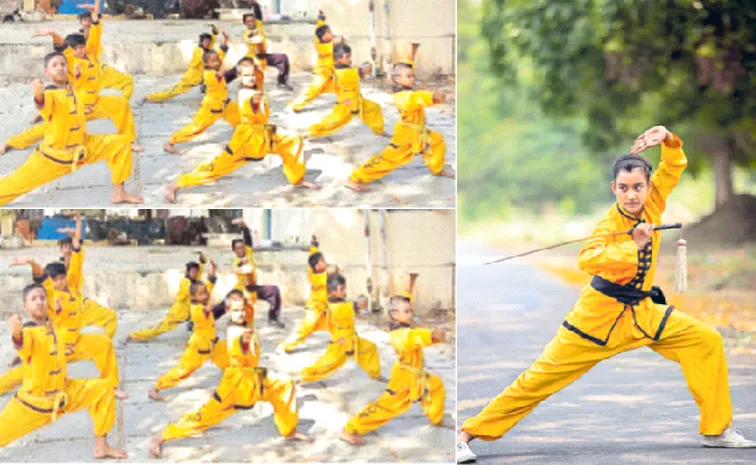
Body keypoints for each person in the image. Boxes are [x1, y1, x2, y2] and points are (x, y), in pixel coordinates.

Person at [456, 126, 756, 464]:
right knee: (536, 381)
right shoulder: (606, 226)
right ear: (614, 188)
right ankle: (466, 435)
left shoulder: (653, 205)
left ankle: (716, 430)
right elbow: (588, 258)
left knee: (707, 341)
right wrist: (633, 245)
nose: (632, 195)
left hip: (644, 314)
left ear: (647, 186)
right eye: (624, 188)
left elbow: (672, 168)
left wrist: (669, 139)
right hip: (595, 322)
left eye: (638, 187)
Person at [147, 292, 311, 458]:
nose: (239, 313)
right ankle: (161, 437)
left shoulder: (245, 323)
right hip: (234, 387)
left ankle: (289, 430)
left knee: (285, 384)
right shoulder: (236, 334)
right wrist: (246, 342)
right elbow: (240, 345)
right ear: (228, 311)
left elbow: (249, 317)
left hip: (253, 379)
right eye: (235, 311)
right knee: (203, 418)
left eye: (241, 310)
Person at [162, 58, 319, 203]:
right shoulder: (246, 95)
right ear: (240, 77)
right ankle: (176, 184)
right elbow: (252, 104)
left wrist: (257, 68)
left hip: (263, 136)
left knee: (293, 139)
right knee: (215, 169)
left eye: (252, 75)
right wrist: (256, 101)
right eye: (246, 76)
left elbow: (259, 78)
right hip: (245, 142)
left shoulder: (255, 84)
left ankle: (297, 179)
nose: (250, 78)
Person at [0, 283, 127, 458]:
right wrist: (16, 334)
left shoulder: (51, 323)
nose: (39, 302)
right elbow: (22, 343)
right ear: (25, 306)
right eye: (33, 299)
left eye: (42, 298)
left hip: (64, 394)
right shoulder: (29, 331)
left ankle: (101, 447)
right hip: (35, 404)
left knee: (104, 389)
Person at [0, 52, 142, 205]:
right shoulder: (50, 93)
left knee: (120, 144)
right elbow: (43, 103)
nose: (60, 68)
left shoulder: (71, 87)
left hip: (83, 148)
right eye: (54, 65)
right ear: (46, 72)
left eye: (62, 64)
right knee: (12, 186)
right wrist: (38, 95)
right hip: (54, 158)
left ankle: (119, 193)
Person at [341, 273, 451, 445]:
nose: (410, 314)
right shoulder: (401, 335)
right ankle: (349, 429)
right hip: (403, 380)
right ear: (394, 315)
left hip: (416, 375)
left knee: (435, 385)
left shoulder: (402, 325)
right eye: (406, 312)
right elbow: (417, 336)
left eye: (410, 310)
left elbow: (405, 303)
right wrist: (433, 334)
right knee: (386, 407)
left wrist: (409, 286)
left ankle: (435, 418)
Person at [347, 53, 454, 192]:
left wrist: (412, 53)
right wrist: (433, 97)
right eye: (408, 77)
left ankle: (437, 168)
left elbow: (410, 73)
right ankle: (354, 178)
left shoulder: (406, 91)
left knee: (436, 140)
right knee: (388, 159)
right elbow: (417, 98)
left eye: (412, 76)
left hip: (417, 131)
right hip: (406, 134)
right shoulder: (403, 97)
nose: (412, 79)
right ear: (397, 79)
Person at [148, 260, 229, 401]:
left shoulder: (203, 299)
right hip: (199, 348)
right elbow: (206, 310)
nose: (205, 295)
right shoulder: (196, 309)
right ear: (194, 297)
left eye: (205, 293)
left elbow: (209, 283)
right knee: (183, 371)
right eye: (201, 294)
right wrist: (221, 306)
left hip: (213, 345)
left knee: (229, 362)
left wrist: (213, 269)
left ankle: (236, 378)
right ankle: (156, 387)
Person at [163, 31, 240, 154]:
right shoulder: (209, 74)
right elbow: (220, 75)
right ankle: (171, 142)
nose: (217, 62)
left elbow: (221, 52)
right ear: (206, 63)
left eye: (217, 60)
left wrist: (225, 39)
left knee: (241, 119)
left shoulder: (215, 65)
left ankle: (247, 135)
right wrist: (236, 70)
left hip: (225, 104)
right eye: (214, 61)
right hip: (211, 108)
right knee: (196, 128)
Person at [298, 273, 382, 384]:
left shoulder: (338, 302)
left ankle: (375, 374)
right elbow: (356, 306)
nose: (344, 291)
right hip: (341, 342)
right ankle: (303, 377)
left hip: (352, 339)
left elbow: (355, 311)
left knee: (370, 348)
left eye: (344, 288)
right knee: (327, 364)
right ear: (332, 292)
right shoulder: (337, 307)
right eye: (341, 289)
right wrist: (364, 301)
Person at [306, 43, 384, 139]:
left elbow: (356, 77)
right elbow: (361, 72)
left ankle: (379, 130)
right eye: (347, 57)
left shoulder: (343, 68)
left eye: (350, 56)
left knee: (374, 108)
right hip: (346, 103)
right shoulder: (342, 73)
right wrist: (370, 67)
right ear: (338, 59)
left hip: (356, 100)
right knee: (333, 122)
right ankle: (311, 132)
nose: (350, 59)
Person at [127, 252, 208, 342]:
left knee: (200, 323)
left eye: (196, 272)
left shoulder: (195, 278)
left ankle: (198, 338)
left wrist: (202, 259)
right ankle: (134, 336)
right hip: (178, 313)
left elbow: (201, 268)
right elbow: (193, 291)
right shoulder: (185, 282)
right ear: (188, 272)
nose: (195, 273)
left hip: (189, 313)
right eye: (193, 272)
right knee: (158, 329)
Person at [282, 235, 337, 353]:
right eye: (322, 261)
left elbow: (314, 256)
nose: (325, 262)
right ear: (317, 266)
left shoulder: (313, 268)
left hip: (324, 307)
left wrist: (314, 245)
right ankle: (287, 345)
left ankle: (345, 341)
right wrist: (336, 268)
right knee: (306, 329)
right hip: (315, 309)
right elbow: (330, 272)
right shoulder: (316, 277)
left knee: (335, 322)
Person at [144, 26, 219, 103]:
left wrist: (214, 33)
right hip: (191, 78)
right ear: (201, 42)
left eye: (208, 42)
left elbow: (212, 42)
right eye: (206, 42)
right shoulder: (200, 52)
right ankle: (150, 97)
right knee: (173, 92)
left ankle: (206, 94)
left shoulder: (205, 48)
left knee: (212, 84)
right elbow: (196, 63)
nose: (208, 43)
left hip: (201, 77)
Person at [288, 9, 341, 112]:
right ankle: (296, 105)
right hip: (322, 74)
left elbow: (320, 28)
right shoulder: (325, 46)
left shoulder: (319, 39)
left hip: (330, 74)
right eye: (329, 33)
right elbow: (335, 45)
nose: (332, 34)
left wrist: (320, 19)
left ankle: (352, 101)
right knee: (313, 91)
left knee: (341, 86)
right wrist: (340, 41)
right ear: (325, 37)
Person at [78, 5, 134, 100]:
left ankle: (121, 103)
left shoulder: (95, 32)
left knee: (128, 81)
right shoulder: (76, 39)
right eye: (84, 20)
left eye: (89, 20)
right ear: (80, 22)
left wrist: (93, 13)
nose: (87, 23)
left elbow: (97, 24)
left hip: (99, 71)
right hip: (86, 74)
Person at [242, 5, 293, 91]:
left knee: (283, 58)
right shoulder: (247, 34)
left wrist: (254, 3)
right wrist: (253, 34)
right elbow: (249, 37)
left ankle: (282, 81)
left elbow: (258, 13)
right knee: (256, 80)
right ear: (245, 23)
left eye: (252, 21)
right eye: (248, 22)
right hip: (254, 58)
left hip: (264, 56)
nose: (251, 23)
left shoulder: (258, 25)